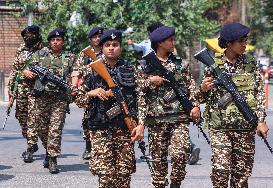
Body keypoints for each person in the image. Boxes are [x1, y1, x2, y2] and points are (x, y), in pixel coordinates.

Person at [199, 22, 269, 188]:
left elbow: (259, 94)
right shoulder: (212, 64)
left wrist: (261, 120)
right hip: (220, 128)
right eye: (241, 41)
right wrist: (202, 89)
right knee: (220, 171)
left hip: (245, 128)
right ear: (229, 43)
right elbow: (201, 97)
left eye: (246, 40)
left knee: (241, 177)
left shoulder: (251, 64)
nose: (245, 44)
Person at [75, 29, 144, 187]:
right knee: (106, 177)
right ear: (102, 47)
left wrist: (140, 124)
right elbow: (77, 99)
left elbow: (140, 98)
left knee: (124, 176)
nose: (111, 48)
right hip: (100, 129)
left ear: (121, 47)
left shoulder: (130, 69)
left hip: (125, 129)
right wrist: (91, 93)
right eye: (107, 45)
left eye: (115, 44)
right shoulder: (91, 69)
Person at [136, 25, 201, 188]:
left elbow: (191, 86)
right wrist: (150, 81)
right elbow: (138, 91)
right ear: (159, 43)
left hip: (179, 118)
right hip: (156, 120)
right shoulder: (145, 65)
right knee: (158, 162)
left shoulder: (180, 64)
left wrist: (195, 106)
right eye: (170, 40)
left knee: (180, 154)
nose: (174, 42)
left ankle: (176, 183)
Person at [24, 28, 76, 174]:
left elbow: (75, 72)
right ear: (49, 41)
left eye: (58, 39)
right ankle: (48, 150)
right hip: (41, 97)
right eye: (53, 40)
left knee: (55, 129)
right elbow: (27, 69)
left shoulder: (70, 57)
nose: (55, 42)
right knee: (41, 128)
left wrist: (73, 85)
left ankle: (53, 159)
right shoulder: (39, 55)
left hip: (59, 99)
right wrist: (27, 73)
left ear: (63, 42)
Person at [7, 25, 42, 158]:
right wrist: (10, 89)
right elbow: (15, 70)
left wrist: (32, 73)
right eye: (25, 35)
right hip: (21, 89)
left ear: (37, 35)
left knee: (32, 117)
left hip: (36, 89)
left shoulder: (44, 51)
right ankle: (30, 141)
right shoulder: (20, 50)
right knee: (21, 116)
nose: (28, 37)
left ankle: (31, 147)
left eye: (31, 34)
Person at [71, 27, 103, 160]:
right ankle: (89, 146)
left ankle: (102, 147)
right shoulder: (85, 54)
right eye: (95, 37)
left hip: (104, 87)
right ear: (91, 39)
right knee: (88, 118)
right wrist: (73, 87)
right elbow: (76, 71)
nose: (97, 39)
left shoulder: (107, 51)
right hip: (88, 89)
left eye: (99, 36)